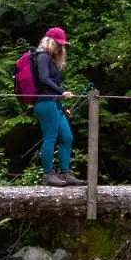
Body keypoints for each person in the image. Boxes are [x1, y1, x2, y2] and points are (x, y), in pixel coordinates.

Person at [33, 27, 85, 187]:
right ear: (49, 42)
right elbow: (43, 79)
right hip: (45, 103)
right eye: (58, 44)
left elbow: (51, 84)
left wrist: (61, 106)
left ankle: (65, 173)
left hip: (54, 103)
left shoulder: (51, 60)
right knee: (50, 137)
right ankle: (48, 174)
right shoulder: (41, 57)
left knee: (67, 137)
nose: (61, 48)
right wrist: (62, 92)